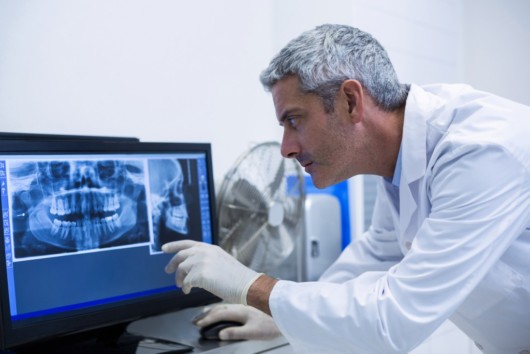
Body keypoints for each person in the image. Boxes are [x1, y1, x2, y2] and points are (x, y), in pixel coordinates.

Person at [162, 24, 530, 353]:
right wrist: (277, 315)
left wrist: (253, 287)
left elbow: (393, 321)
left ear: (350, 101)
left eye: (294, 120)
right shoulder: (403, 156)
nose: (286, 148)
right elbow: (378, 252)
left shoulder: (481, 151)